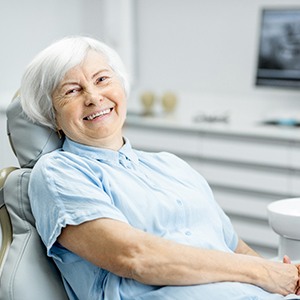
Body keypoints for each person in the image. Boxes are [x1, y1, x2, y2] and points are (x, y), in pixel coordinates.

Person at [20, 36, 300, 300]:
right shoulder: (58, 172)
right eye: (72, 90)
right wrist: (263, 272)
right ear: (53, 116)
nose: (93, 97)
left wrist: (286, 280)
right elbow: (136, 257)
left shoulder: (171, 165)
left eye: (102, 79)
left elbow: (236, 248)